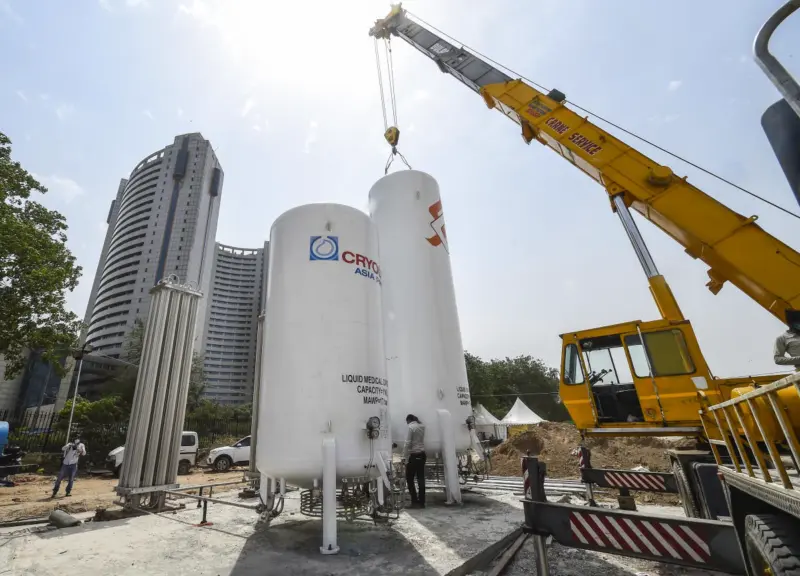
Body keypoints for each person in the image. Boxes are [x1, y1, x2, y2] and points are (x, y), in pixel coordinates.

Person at [403, 414, 426, 508]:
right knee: (421, 479)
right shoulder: (422, 426)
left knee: (409, 478)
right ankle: (422, 502)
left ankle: (414, 501)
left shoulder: (411, 427)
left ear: (408, 420)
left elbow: (407, 442)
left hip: (414, 455)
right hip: (422, 455)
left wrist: (403, 457)